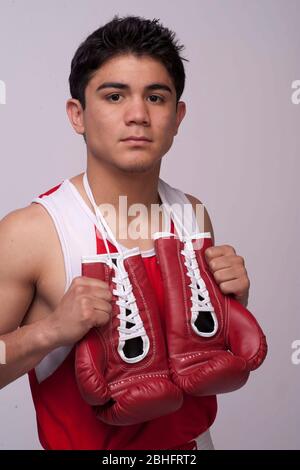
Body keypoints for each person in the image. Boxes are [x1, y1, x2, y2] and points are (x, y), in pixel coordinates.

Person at [0, 15, 250, 450]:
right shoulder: (33, 232)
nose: (137, 115)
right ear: (77, 114)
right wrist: (51, 331)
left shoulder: (192, 215)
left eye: (156, 97)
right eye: (114, 96)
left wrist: (232, 308)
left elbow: (198, 363)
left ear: (177, 116)